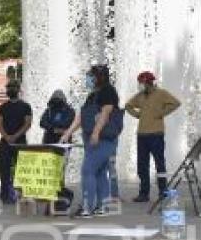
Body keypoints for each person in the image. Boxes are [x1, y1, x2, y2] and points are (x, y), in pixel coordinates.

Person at [60, 64, 120, 217]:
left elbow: (106, 113)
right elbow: (81, 117)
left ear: (99, 77)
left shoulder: (108, 91)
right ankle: (103, 206)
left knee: (87, 170)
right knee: (99, 172)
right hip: (93, 139)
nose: (88, 79)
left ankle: (87, 207)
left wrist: (95, 132)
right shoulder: (93, 95)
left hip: (103, 139)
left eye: (90, 76)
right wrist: (68, 133)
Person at [125, 71, 181, 203]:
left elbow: (176, 103)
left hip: (156, 134)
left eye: (141, 83)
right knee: (142, 165)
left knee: (159, 163)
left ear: (148, 82)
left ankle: (163, 191)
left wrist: (162, 113)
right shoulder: (140, 96)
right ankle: (144, 193)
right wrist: (137, 114)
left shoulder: (161, 93)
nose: (139, 86)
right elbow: (128, 105)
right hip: (142, 135)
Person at [0, 80, 32, 203]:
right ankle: (5, 194)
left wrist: (15, 136)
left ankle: (22, 194)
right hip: (5, 142)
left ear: (18, 89)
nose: (10, 90)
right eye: (8, 87)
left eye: (12, 87)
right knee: (4, 168)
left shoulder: (26, 106)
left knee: (21, 169)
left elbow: (27, 124)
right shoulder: (2, 107)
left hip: (20, 142)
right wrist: (6, 137)